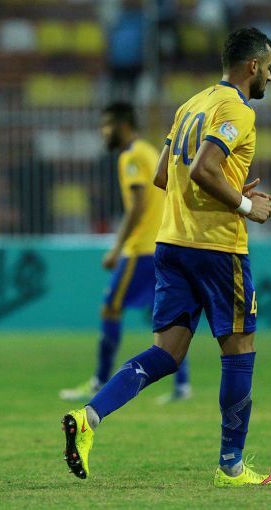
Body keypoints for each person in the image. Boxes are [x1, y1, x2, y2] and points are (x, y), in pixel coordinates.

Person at [61, 27, 271, 487]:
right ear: (253, 66)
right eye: (269, 67)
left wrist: (226, 187)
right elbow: (202, 169)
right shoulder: (238, 110)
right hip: (217, 248)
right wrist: (244, 205)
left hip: (171, 244)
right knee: (240, 350)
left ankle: (88, 417)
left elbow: (165, 175)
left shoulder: (190, 105)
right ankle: (231, 466)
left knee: (166, 353)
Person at [59, 102, 191, 404]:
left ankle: (99, 380)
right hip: (162, 244)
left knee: (110, 307)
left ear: (122, 125)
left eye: (106, 125)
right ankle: (182, 385)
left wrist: (117, 247)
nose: (102, 132)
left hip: (141, 249)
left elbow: (138, 206)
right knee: (164, 317)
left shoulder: (131, 156)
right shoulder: (149, 151)